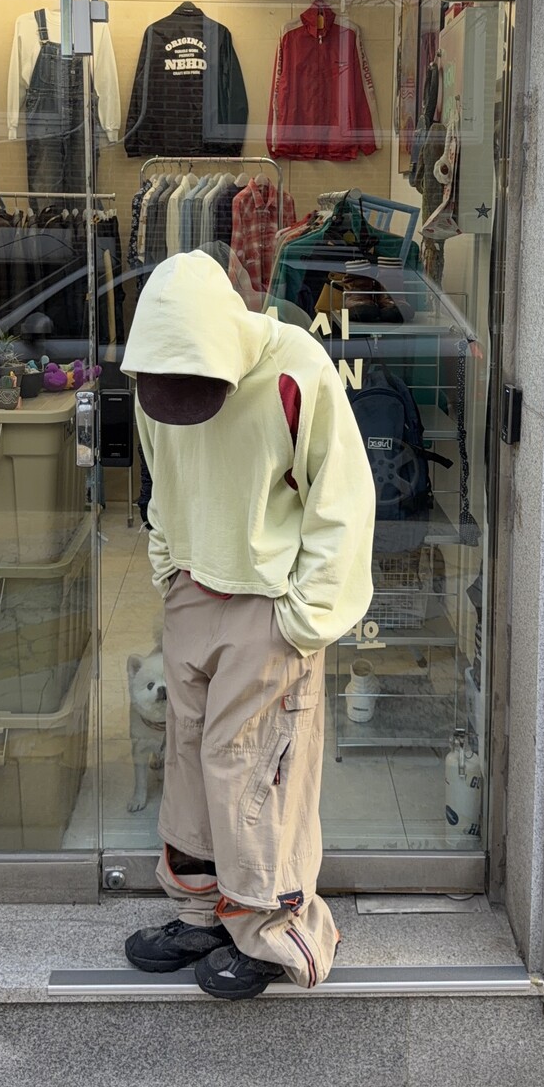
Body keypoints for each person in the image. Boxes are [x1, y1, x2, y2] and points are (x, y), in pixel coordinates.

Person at [120, 249, 376, 999]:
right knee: (190, 760)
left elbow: (342, 499)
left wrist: (304, 618)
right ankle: (201, 913)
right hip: (194, 588)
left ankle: (277, 932)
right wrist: (169, 568)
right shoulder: (155, 378)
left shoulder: (296, 367)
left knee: (257, 769)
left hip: (268, 602)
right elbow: (163, 477)